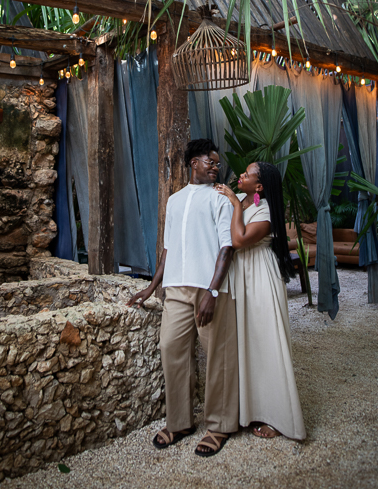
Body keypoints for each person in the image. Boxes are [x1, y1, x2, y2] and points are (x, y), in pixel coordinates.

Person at [128, 138, 239, 457]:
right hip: (175, 288)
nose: (216, 167)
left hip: (210, 290)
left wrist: (213, 291)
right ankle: (180, 422)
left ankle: (219, 426)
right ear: (194, 163)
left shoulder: (221, 199)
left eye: (218, 163)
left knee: (218, 355)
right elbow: (167, 249)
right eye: (211, 162)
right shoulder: (174, 201)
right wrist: (152, 287)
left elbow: (226, 247)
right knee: (170, 347)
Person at [215, 161, 306, 441]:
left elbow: (239, 240)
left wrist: (234, 202)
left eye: (247, 174)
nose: (240, 175)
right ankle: (250, 409)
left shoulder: (265, 210)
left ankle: (280, 418)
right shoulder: (246, 200)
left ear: (259, 186)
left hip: (261, 280)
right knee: (249, 343)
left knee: (268, 344)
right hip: (244, 277)